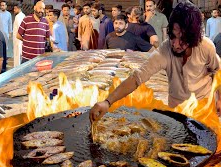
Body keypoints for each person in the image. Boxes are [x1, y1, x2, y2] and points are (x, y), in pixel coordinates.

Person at [90, 2, 221, 121]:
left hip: (205, 109)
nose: (175, 44)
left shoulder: (206, 47)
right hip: (178, 112)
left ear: (193, 38)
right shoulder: (165, 50)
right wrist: (107, 102)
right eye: (173, 36)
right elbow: (137, 78)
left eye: (182, 39)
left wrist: (219, 98)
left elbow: (218, 71)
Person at [0, 0, 12, 72]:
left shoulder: (9, 14)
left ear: (6, 6)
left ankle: (4, 63)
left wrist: (10, 32)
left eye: (3, 5)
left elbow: (10, 23)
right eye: (1, 5)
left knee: (5, 49)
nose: (2, 6)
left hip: (5, 34)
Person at [13, 2, 25, 67]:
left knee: (17, 56)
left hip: (18, 40)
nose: (14, 10)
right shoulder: (23, 15)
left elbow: (21, 30)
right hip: (19, 39)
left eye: (15, 9)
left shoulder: (18, 17)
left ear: (19, 9)